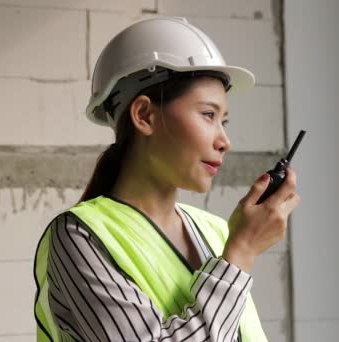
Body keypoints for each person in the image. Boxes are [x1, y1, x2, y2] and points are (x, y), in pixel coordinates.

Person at [33, 17, 300, 342]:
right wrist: (242, 250)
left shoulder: (216, 230)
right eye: (208, 115)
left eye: (224, 121)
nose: (224, 141)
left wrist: (237, 247)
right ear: (144, 115)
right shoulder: (79, 236)